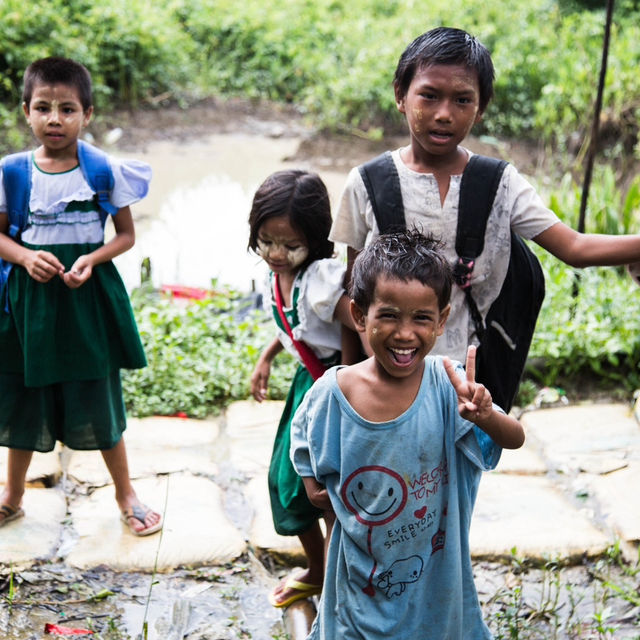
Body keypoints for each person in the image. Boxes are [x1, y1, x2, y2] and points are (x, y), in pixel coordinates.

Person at [330, 26, 640, 369]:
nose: (445, 113)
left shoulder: (500, 184)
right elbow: (355, 293)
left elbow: (574, 247)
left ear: (481, 108)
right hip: (388, 375)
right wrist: (355, 374)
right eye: (429, 96)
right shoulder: (366, 183)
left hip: (472, 377)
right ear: (401, 96)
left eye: (462, 100)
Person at [290, 230, 525, 639]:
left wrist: (486, 416)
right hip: (357, 591)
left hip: (438, 590)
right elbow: (303, 439)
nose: (404, 333)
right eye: (389, 315)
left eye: (421, 318)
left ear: (442, 321)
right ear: (360, 315)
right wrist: (313, 486)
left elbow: (514, 437)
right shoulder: (331, 394)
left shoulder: (447, 389)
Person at [0, 57, 162, 536]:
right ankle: (12, 493)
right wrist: (26, 257)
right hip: (29, 305)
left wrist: (92, 259)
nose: (55, 119)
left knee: (99, 391)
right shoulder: (10, 172)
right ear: (26, 111)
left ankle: (125, 493)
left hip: (85, 301)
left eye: (67, 109)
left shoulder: (103, 170)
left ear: (87, 114)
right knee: (25, 392)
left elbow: (126, 235)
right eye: (43, 107)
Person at [248, 169, 356, 608]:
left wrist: (355, 386)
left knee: (327, 490)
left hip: (331, 389)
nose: (276, 253)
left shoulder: (321, 280)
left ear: (315, 240)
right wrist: (268, 355)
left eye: (290, 245)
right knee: (287, 482)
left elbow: (360, 320)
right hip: (304, 387)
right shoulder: (283, 275)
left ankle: (332, 583)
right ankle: (320, 570)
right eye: (265, 241)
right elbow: (297, 324)